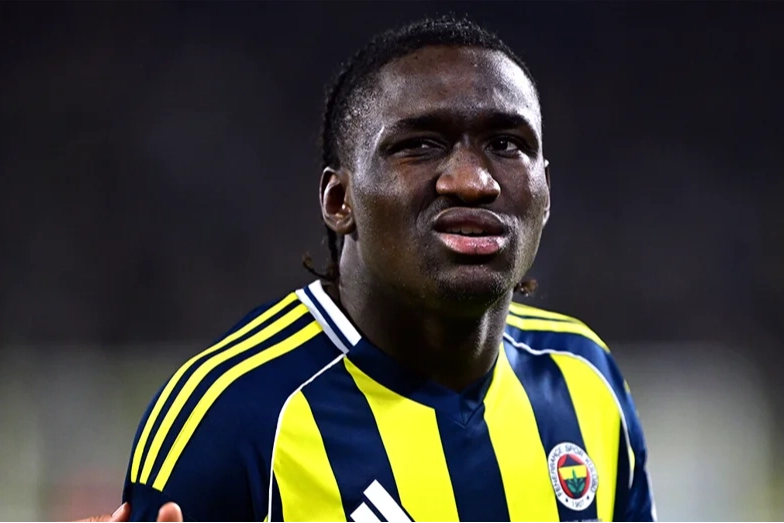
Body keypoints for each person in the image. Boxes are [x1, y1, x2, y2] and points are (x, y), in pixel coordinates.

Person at [85, 15, 657, 522]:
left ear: (546, 193)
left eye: (506, 145)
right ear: (340, 201)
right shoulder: (232, 419)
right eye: (421, 145)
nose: (472, 181)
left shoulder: (585, 381)